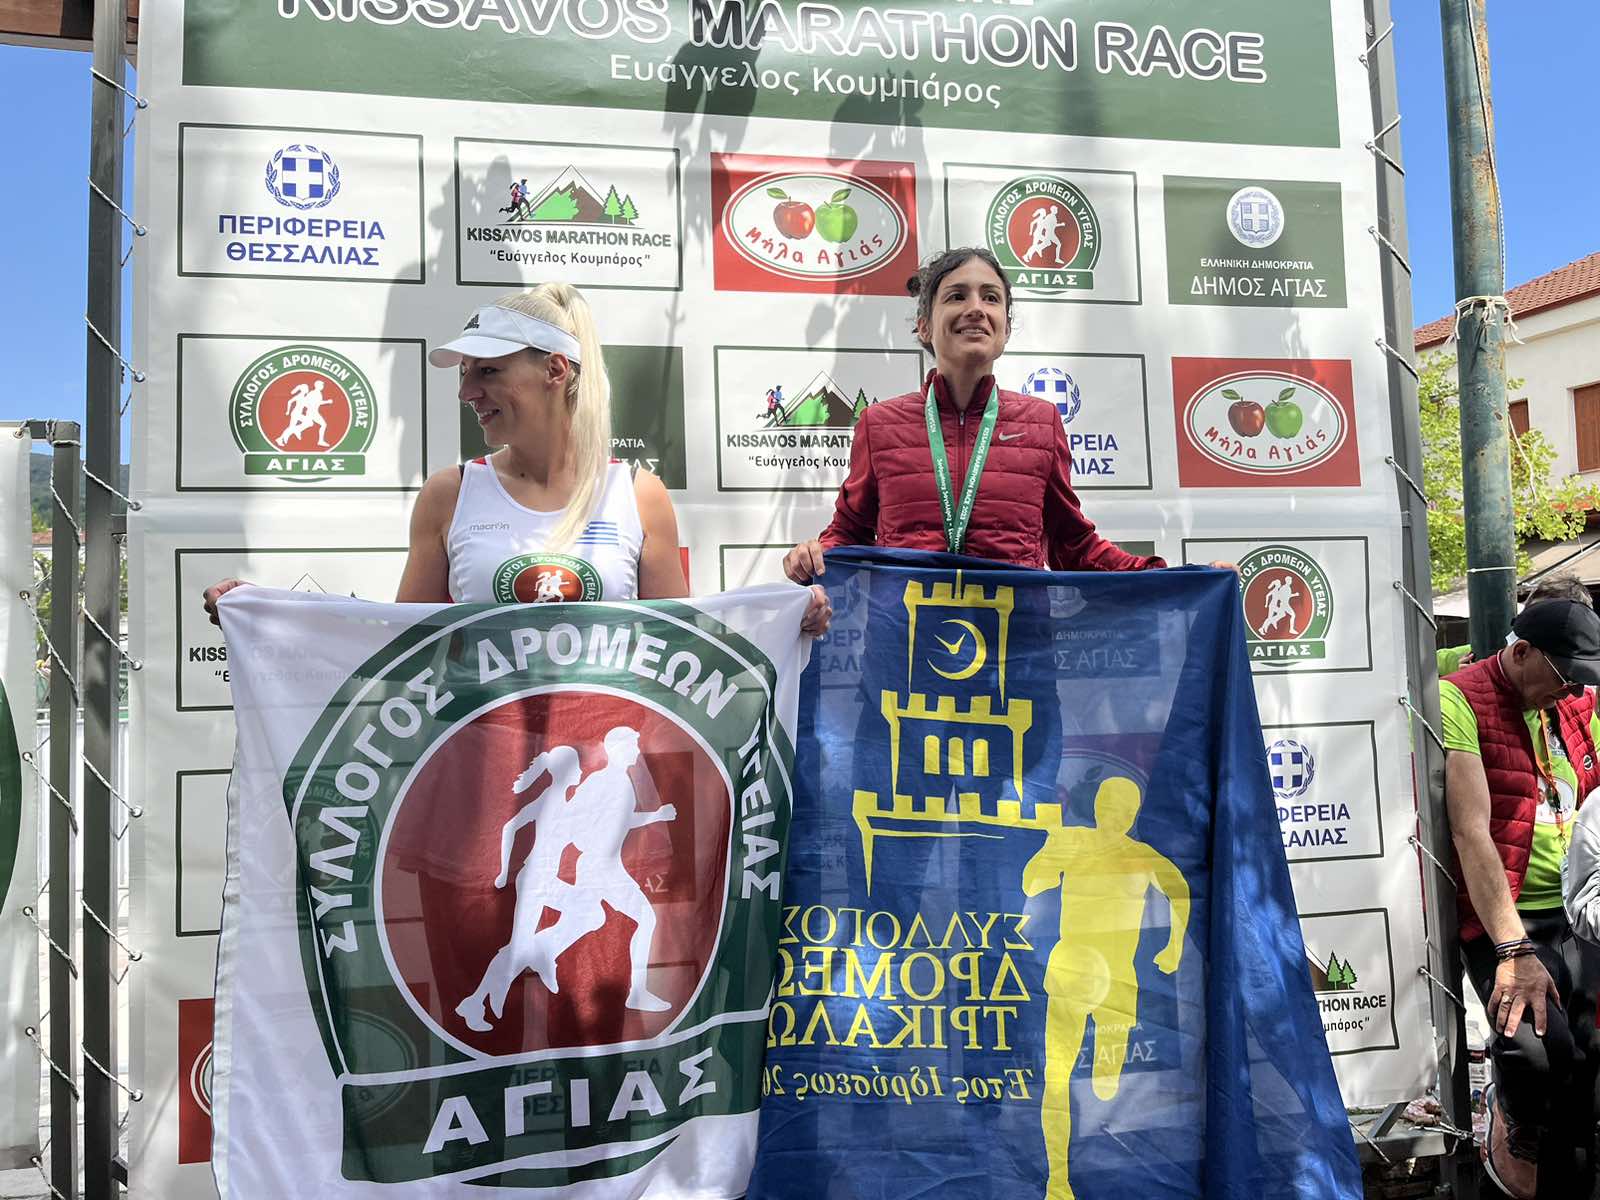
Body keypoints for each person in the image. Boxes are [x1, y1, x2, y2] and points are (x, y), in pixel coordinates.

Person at [204, 284, 829, 630]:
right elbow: (399, 646)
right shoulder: (450, 493)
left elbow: (682, 645)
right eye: (465, 374)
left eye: (489, 371)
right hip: (478, 769)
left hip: (603, 772)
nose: (466, 393)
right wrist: (269, 614)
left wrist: (781, 621)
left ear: (555, 370)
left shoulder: (638, 495)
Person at [783, 248, 1167, 582]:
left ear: (1006, 328)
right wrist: (813, 555)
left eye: (991, 297)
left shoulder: (1042, 423)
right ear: (924, 326)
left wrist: (1164, 578)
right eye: (956, 296)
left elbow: (1072, 544)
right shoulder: (879, 424)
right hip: (908, 635)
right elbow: (848, 533)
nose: (976, 309)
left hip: (1016, 635)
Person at [1441, 598, 1600, 1197]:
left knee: (1588, 1054)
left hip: (1576, 905)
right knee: (1536, 1051)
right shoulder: (1460, 699)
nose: (1572, 690)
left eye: (1582, 680)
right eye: (1565, 676)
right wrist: (1513, 949)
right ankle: (1510, 1116)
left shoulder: (1575, 702)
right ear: (1523, 651)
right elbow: (1470, 831)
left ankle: (1571, 1172)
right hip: (1503, 915)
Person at [1437, 573, 1595, 677]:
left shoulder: (1584, 669)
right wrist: (1457, 677)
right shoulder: (1486, 649)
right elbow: (1431, 664)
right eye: (1535, 615)